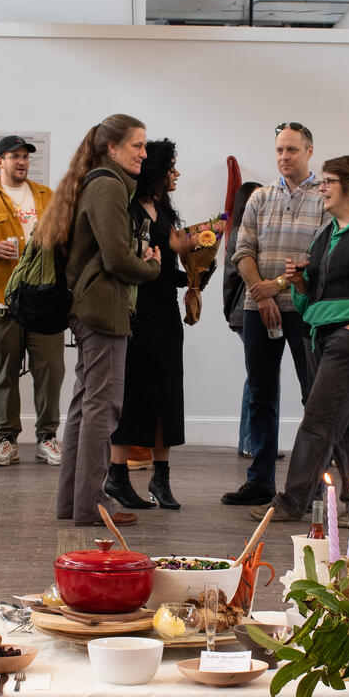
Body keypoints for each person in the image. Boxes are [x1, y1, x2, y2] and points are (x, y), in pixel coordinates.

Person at [254, 155, 349, 523]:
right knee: (344, 424)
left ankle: (293, 501)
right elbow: (310, 301)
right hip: (319, 337)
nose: (321, 187)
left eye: (328, 181)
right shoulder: (326, 233)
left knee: (319, 420)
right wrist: (298, 284)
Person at [42, 114, 162, 526]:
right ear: (112, 148)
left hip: (90, 307)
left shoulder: (97, 181)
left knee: (84, 406)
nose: (144, 154)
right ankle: (92, 505)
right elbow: (117, 259)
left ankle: (73, 504)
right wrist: (151, 267)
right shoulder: (109, 185)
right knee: (103, 408)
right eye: (137, 145)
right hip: (103, 308)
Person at [223, 122, 327, 506]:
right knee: (261, 395)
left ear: (309, 151)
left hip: (304, 309)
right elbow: (242, 251)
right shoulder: (260, 198)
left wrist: (278, 288)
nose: (285, 157)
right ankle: (260, 480)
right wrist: (260, 293)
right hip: (258, 308)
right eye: (280, 150)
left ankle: (312, 482)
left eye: (293, 150)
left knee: (312, 397)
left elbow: (320, 259)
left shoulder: (323, 199)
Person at [0, 135, 64, 468]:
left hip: (44, 301)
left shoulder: (48, 196)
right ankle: (7, 440)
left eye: (26, 157)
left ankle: (48, 437)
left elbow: (68, 238)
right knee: (4, 373)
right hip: (0, 299)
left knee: (51, 371)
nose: (21, 162)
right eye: (14, 157)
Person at [107, 139, 198, 512]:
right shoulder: (128, 209)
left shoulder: (165, 211)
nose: (176, 173)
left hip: (166, 317)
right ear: (157, 171)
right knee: (132, 397)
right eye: (171, 167)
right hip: (136, 315)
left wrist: (193, 268)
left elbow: (166, 273)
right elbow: (130, 265)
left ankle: (161, 478)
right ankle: (117, 475)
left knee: (167, 397)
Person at [223, 179, 262, 456]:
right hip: (246, 311)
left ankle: (250, 442)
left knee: (258, 376)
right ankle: (251, 442)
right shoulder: (241, 233)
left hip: (242, 312)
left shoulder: (239, 231)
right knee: (259, 377)